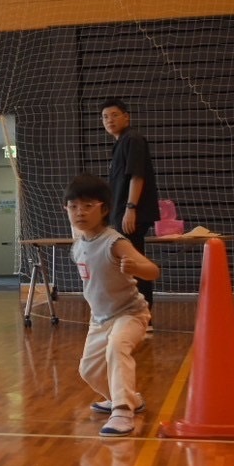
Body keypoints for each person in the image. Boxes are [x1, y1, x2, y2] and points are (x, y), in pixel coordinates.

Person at [65, 174, 159, 437]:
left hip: (131, 313)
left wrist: (135, 266)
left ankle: (122, 410)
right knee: (89, 371)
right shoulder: (78, 245)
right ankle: (130, 399)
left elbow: (152, 270)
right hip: (100, 319)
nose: (79, 212)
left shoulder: (114, 242)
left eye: (87, 206)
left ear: (104, 209)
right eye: (73, 207)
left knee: (117, 348)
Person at [100, 99, 160, 316]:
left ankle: (143, 316)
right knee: (127, 264)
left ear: (127, 116)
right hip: (122, 214)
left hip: (131, 214)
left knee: (135, 263)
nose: (110, 120)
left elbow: (137, 176)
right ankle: (133, 313)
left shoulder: (133, 139)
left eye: (115, 115)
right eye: (105, 117)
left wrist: (131, 208)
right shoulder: (120, 143)